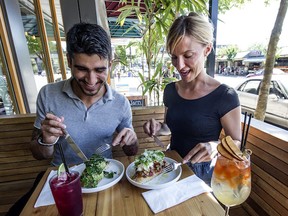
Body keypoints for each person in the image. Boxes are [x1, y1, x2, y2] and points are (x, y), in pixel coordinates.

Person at [6, 22, 138, 216]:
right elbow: (38, 153)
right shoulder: (48, 95)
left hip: (106, 181)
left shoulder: (121, 104)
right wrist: (46, 140)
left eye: (100, 70)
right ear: (69, 61)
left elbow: (131, 151)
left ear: (110, 63)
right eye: (82, 69)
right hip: (61, 180)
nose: (92, 81)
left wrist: (132, 139)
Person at [143, 12, 241, 186]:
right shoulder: (171, 90)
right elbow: (170, 128)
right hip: (170, 166)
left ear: (207, 50)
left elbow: (237, 143)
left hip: (203, 174)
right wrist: (158, 128)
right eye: (174, 57)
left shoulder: (225, 96)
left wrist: (215, 146)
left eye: (188, 56)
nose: (179, 66)